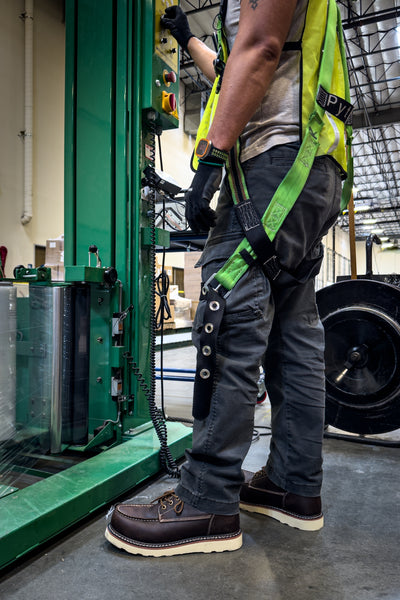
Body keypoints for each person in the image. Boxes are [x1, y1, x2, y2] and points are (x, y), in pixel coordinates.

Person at [105, 0, 350, 557]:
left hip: (274, 164)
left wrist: (211, 159)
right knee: (293, 331)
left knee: (225, 310)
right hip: (313, 170)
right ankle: (294, 486)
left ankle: (207, 500)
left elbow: (260, 49)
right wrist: (188, 39)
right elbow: (242, 67)